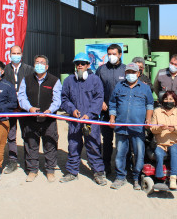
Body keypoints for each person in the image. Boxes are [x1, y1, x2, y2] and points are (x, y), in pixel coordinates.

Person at [59, 53, 107, 186]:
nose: (80, 65)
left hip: (91, 121)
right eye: (77, 63)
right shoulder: (69, 81)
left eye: (83, 63)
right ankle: (72, 172)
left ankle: (98, 173)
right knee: (73, 146)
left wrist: (90, 114)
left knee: (93, 146)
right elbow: (64, 98)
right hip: (75, 121)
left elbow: (99, 98)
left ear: (88, 65)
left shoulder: (95, 80)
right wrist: (71, 109)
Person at [109, 63, 154, 190]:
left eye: (133, 72)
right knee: (120, 153)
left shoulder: (145, 88)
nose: (130, 74)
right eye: (128, 72)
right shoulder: (119, 86)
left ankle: (136, 178)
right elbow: (112, 103)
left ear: (138, 74)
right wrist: (112, 118)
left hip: (138, 128)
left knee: (139, 153)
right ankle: (120, 177)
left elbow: (150, 104)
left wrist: (148, 118)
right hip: (121, 128)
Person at [17, 55, 61, 182]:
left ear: (47, 66)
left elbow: (57, 99)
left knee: (50, 144)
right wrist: (29, 108)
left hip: (48, 119)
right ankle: (32, 170)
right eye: (37, 62)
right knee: (31, 144)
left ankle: (50, 170)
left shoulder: (54, 80)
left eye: (42, 63)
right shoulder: (26, 80)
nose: (39, 65)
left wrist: (50, 110)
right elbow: (21, 97)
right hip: (30, 119)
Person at [2, 45, 34, 174]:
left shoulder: (29, 70)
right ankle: (12, 161)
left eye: (18, 53)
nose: (16, 55)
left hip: (24, 108)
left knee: (27, 134)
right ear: (9, 55)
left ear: (22, 54)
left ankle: (29, 161)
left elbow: (32, 88)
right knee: (11, 135)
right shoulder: (4, 70)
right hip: (10, 108)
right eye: (13, 53)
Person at [95, 44, 126, 175]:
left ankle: (124, 167)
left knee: (123, 141)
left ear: (120, 55)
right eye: (109, 54)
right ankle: (106, 165)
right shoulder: (101, 70)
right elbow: (96, 88)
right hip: (105, 111)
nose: (111, 56)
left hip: (122, 112)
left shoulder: (126, 70)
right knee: (107, 140)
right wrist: (100, 101)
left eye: (114, 54)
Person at [150, 91, 177, 190]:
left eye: (171, 99)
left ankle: (173, 178)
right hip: (161, 143)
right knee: (158, 153)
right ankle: (159, 177)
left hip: (175, 142)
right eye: (166, 99)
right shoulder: (157, 111)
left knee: (174, 151)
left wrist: (174, 129)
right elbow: (152, 129)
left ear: (175, 101)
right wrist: (160, 128)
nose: (168, 101)